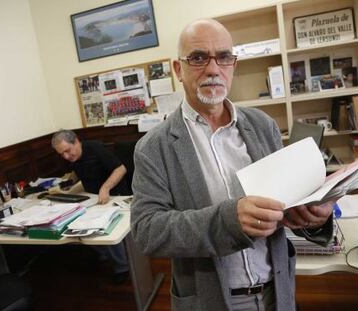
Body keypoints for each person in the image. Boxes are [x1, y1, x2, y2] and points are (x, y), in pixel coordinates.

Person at [130, 19, 334, 311]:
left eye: (224, 57)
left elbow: (288, 201)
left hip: (277, 292)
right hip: (209, 300)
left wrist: (312, 215)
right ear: (178, 70)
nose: (213, 69)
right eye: (198, 58)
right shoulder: (154, 147)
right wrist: (228, 221)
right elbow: (147, 231)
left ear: (233, 65)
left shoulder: (263, 126)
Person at [51, 129, 130, 284]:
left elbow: (121, 169)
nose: (66, 157)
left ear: (76, 141)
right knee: (77, 223)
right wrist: (66, 191)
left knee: (105, 227)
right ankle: (106, 253)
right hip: (93, 198)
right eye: (62, 154)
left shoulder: (95, 148)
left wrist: (105, 188)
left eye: (67, 151)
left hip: (114, 195)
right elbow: (84, 175)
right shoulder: (74, 157)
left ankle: (122, 266)